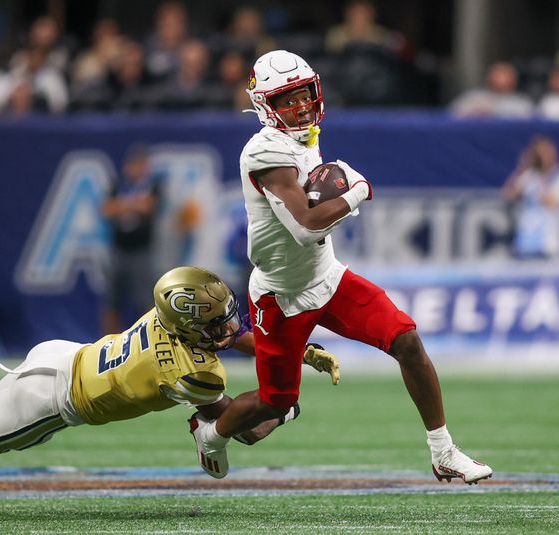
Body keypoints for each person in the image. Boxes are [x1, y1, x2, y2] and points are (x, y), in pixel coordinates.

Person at [187, 50, 493, 485]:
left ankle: (443, 452)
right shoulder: (266, 152)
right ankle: (211, 432)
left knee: (406, 339)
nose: (301, 105)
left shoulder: (301, 137)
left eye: (304, 94)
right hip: (281, 295)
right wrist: (356, 192)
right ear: (264, 106)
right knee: (275, 403)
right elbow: (306, 228)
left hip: (327, 278)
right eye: (287, 99)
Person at [0, 266, 340, 494]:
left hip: (65, 355)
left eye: (228, 315)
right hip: (58, 397)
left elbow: (228, 341)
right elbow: (236, 422)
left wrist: (289, 353)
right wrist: (285, 400)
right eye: (216, 323)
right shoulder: (193, 372)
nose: (231, 329)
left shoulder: (170, 315)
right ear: (191, 327)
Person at [100, 145, 161, 334]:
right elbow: (106, 209)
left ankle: (147, 340)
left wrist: (122, 206)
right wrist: (133, 204)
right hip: (119, 250)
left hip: (141, 251)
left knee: (145, 300)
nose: (135, 169)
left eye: (139, 165)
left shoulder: (153, 186)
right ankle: (107, 343)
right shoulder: (119, 185)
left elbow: (148, 207)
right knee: (112, 300)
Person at [501, 135, 559, 258]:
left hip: (548, 243)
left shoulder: (556, 177)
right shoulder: (529, 176)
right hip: (525, 242)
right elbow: (509, 194)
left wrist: (541, 178)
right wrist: (522, 168)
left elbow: (551, 202)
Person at [450, 62, 534, 118]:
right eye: (498, 75)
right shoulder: (474, 97)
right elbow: (453, 116)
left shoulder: (522, 103)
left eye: (506, 75)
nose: (501, 79)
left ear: (514, 80)